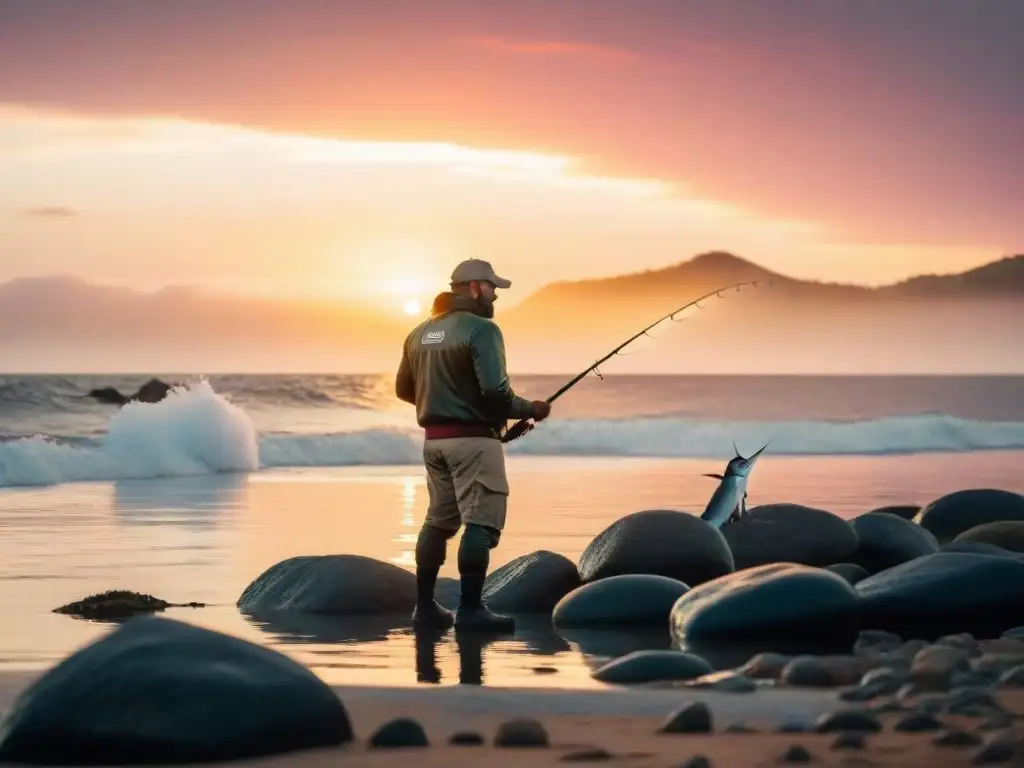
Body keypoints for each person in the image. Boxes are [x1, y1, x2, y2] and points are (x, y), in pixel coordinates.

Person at [395, 259, 551, 632]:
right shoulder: (482, 329)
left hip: (434, 443)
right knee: (481, 522)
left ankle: (425, 608)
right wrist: (530, 409)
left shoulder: (419, 332)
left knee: (438, 522)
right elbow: (496, 393)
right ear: (476, 287)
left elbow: (404, 390)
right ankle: (470, 611)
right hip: (474, 444)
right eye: (493, 287)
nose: (495, 294)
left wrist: (441, 400)